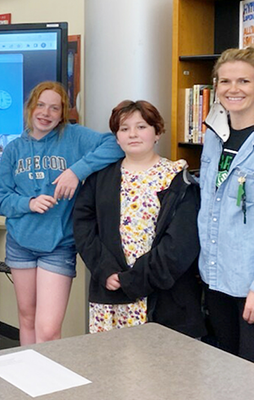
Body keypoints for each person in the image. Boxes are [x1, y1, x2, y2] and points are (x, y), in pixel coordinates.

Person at [0, 81, 123, 345]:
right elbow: (1, 199)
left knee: (49, 329)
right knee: (27, 318)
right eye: (40, 105)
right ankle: (30, 384)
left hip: (59, 245)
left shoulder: (73, 137)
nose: (46, 113)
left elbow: (116, 144)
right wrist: (28, 203)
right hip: (20, 245)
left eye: (54, 108)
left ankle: (47, 383)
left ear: (63, 113)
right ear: (30, 107)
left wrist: (77, 171)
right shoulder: (14, 148)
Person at [73, 100, 205, 337]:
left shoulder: (178, 178)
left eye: (141, 127)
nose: (132, 134)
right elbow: (84, 227)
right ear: (116, 137)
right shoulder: (100, 178)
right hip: (111, 293)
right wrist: (106, 270)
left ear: (157, 132)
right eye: (124, 129)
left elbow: (181, 243)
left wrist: (134, 280)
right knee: (110, 367)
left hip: (164, 297)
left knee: (160, 369)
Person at [198, 47, 254, 362]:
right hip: (215, 276)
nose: (233, 89)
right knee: (224, 369)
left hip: (248, 284)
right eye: (225, 81)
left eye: (244, 81)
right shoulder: (213, 136)